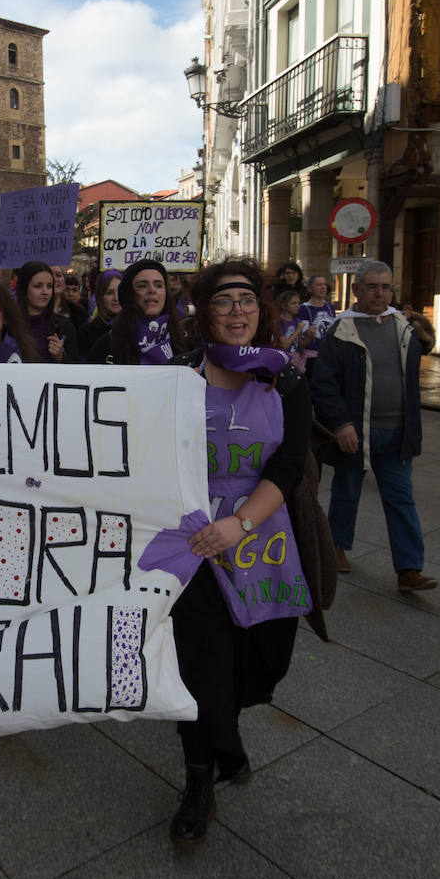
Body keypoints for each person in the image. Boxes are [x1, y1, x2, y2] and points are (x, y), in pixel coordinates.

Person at [156, 258, 312, 846]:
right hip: (192, 544)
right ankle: (199, 783)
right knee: (200, 668)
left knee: (258, 662)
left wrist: (241, 525)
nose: (237, 311)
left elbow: (289, 465)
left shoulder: (287, 380)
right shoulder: (176, 376)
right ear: (204, 312)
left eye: (246, 300)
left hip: (261, 540)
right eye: (223, 301)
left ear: (261, 309)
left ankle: (226, 732)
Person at [309, 259, 437, 592]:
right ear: (356, 290)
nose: (380, 294)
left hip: (398, 432)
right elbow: (324, 384)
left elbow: (423, 351)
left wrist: (423, 328)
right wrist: (341, 424)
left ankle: (409, 569)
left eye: (386, 287)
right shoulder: (342, 330)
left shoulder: (402, 325)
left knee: (401, 498)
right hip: (357, 430)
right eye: (372, 287)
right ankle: (336, 547)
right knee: (347, 491)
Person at [88, 259, 190, 365]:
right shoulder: (108, 344)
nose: (152, 290)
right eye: (142, 286)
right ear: (129, 295)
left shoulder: (185, 340)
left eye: (158, 285)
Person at [14, 261, 79, 363]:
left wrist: (61, 357)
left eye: (49, 286)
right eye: (38, 286)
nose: (45, 292)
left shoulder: (63, 325)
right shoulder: (8, 325)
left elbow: (77, 370)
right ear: (24, 288)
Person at [77, 269, 121, 360]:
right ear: (100, 296)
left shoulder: (136, 328)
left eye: (120, 291)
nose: (116, 298)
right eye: (109, 293)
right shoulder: (86, 332)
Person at [295, 274, 336, 371]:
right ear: (310, 288)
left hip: (330, 354)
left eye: (324, 284)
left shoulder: (330, 306)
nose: (323, 288)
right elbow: (302, 336)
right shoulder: (304, 308)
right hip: (312, 356)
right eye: (319, 285)